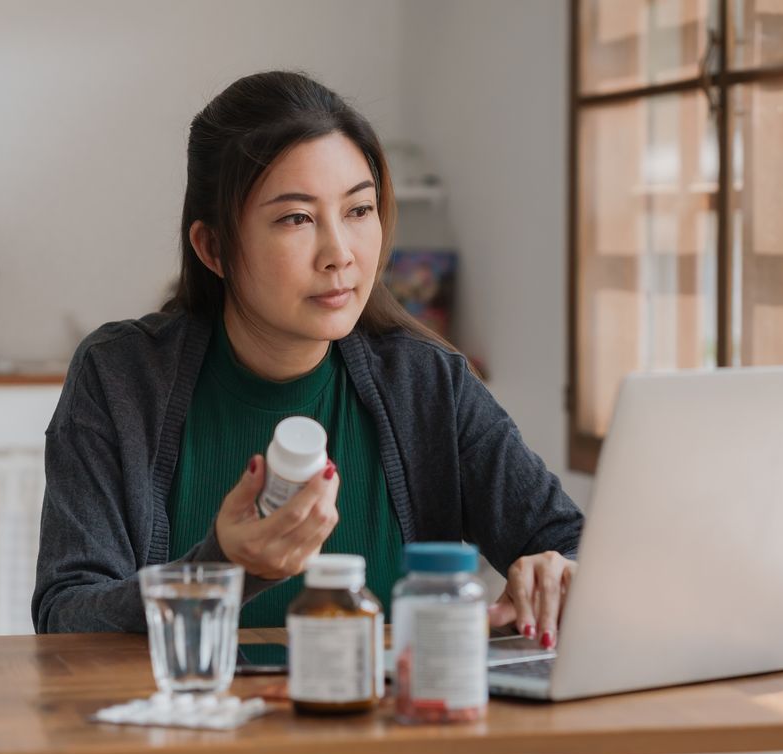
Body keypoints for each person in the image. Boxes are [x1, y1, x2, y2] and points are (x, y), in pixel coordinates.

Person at [33, 71, 583, 649]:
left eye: (359, 210)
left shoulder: (427, 383)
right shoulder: (119, 377)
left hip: (388, 734)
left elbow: (572, 543)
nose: (340, 254)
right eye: (297, 218)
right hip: (183, 733)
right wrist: (225, 568)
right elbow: (66, 617)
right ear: (213, 247)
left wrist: (560, 570)